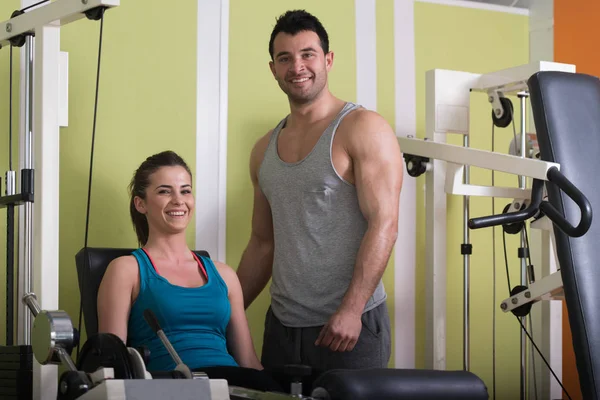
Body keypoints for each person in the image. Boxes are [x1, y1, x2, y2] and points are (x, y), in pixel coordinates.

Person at [236, 9, 403, 379]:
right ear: (273, 68)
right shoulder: (263, 150)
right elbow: (262, 244)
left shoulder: (362, 128)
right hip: (281, 327)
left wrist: (352, 308)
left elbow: (385, 224)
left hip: (348, 326)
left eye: (307, 54)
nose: (297, 66)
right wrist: (225, 314)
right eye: (285, 58)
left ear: (327, 60)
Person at [97, 150, 280, 392]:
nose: (178, 200)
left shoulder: (224, 275)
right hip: (172, 388)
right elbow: (113, 366)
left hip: (234, 385)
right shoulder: (126, 270)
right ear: (140, 204)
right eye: (164, 191)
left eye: (185, 190)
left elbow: (248, 362)